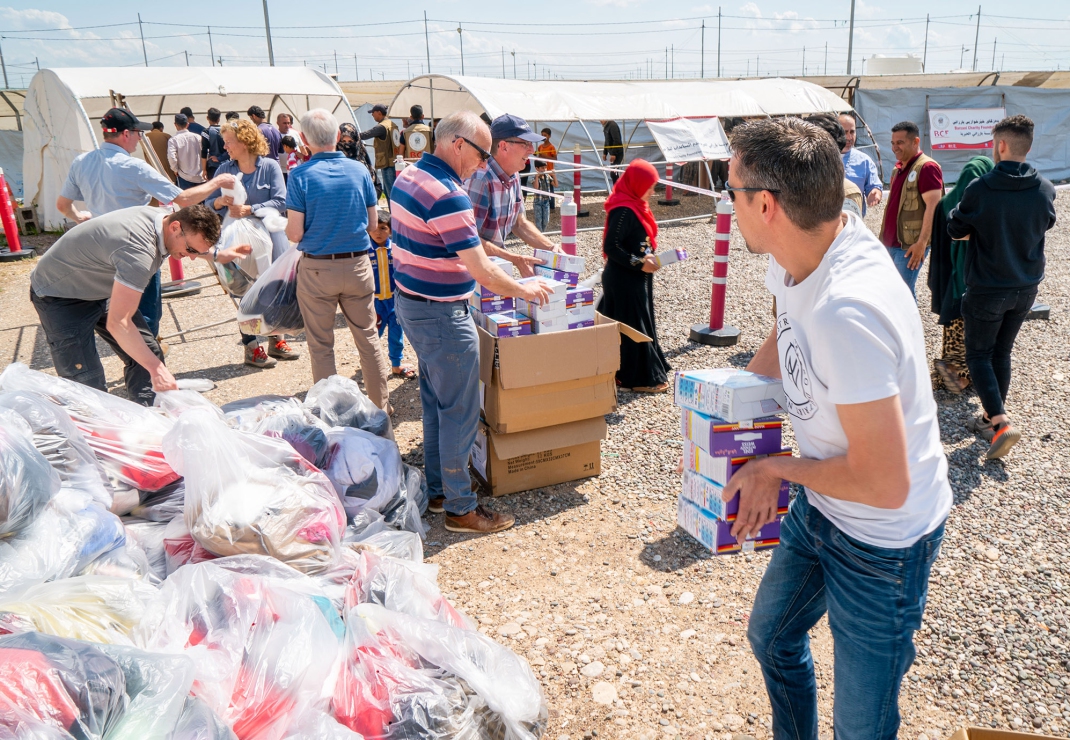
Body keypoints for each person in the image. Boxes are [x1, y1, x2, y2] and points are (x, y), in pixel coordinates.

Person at [721, 118, 951, 740]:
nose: (727, 201)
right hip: (824, 505)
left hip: (881, 543)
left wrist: (774, 468)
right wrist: (728, 410)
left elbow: (883, 483)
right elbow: (785, 331)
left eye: (731, 189)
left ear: (765, 205)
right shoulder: (807, 251)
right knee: (770, 638)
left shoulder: (848, 311)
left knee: (862, 726)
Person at [391, 110, 552, 534]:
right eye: (481, 153)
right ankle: (462, 508)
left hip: (414, 305)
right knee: (460, 411)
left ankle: (441, 488)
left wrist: (512, 260)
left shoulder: (408, 177)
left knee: (436, 404)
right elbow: (480, 269)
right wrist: (525, 288)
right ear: (457, 143)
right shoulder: (448, 193)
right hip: (444, 313)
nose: (483, 163)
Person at [29, 205, 247, 405]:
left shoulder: (164, 220)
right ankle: (96, 441)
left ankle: (146, 415)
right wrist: (157, 370)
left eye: (197, 252)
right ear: (175, 227)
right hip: (60, 294)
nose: (191, 258)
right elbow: (119, 323)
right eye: (190, 250)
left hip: (100, 287)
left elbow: (193, 242)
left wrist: (218, 255)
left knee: (148, 351)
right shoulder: (138, 251)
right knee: (86, 380)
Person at [55, 108, 234, 339]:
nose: (141, 139)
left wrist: (80, 218)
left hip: (100, 248)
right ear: (126, 134)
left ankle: (132, 349)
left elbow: (62, 205)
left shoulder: (81, 162)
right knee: (147, 311)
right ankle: (147, 358)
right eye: (138, 133)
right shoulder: (134, 167)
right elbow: (183, 198)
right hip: (136, 246)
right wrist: (217, 181)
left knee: (117, 306)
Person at [947, 115, 1056, 460]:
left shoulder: (980, 188)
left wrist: (979, 230)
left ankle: (1000, 422)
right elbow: (1045, 224)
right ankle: (988, 418)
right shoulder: (1045, 187)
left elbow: (955, 229)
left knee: (978, 355)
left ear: (1001, 146)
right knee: (1002, 352)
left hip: (987, 287)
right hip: (1026, 287)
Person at [286, 108, 391, 412]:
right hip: (358, 264)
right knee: (369, 341)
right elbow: (373, 225)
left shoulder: (300, 175)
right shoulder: (359, 171)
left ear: (304, 139)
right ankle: (379, 409)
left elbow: (294, 233)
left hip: (317, 268)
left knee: (321, 346)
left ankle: (331, 414)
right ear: (337, 137)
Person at [207, 118, 299, 369]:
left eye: (229, 142)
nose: (225, 147)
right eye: (224, 142)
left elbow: (282, 201)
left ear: (245, 142)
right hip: (238, 240)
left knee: (275, 288)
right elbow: (208, 203)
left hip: (271, 236)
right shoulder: (224, 171)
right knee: (244, 292)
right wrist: (219, 203)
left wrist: (251, 208)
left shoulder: (269, 167)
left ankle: (276, 339)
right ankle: (252, 346)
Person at [596, 160, 671, 393]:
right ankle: (636, 378)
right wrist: (639, 263)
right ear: (637, 184)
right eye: (649, 185)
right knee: (633, 325)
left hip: (637, 276)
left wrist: (648, 261)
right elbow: (612, 247)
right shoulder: (623, 210)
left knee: (640, 320)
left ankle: (638, 370)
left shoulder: (636, 206)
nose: (653, 191)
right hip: (624, 278)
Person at [464, 113, 562, 277]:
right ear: (503, 146)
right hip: (472, 275)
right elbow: (468, 241)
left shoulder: (513, 173)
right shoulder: (481, 179)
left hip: (493, 267)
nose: (532, 150)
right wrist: (514, 259)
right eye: (525, 144)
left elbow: (519, 223)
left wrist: (552, 248)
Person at [928, 155, 993, 394]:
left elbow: (937, 244)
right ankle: (962, 377)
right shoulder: (982, 205)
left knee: (953, 327)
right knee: (973, 333)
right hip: (973, 279)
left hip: (949, 279)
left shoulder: (946, 202)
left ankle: (948, 370)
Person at [878, 120, 944, 297]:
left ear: (915, 142)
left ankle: (910, 325)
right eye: (892, 143)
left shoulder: (927, 167)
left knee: (902, 294)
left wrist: (922, 243)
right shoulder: (898, 169)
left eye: (900, 142)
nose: (894, 147)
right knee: (893, 293)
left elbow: (934, 207)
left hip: (909, 245)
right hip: (890, 243)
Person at [368, 210, 415, 379]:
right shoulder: (364, 250)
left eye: (383, 228)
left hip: (395, 301)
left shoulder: (396, 249)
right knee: (373, 335)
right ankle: (370, 366)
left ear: (391, 230)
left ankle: (396, 365)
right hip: (375, 303)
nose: (377, 233)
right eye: (373, 228)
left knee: (396, 334)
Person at [838, 112, 883, 214]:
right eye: (845, 132)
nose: (849, 137)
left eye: (852, 132)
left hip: (854, 223)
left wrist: (875, 193)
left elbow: (874, 186)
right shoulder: (823, 158)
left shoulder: (864, 161)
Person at [359, 103, 400, 199]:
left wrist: (349, 134)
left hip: (387, 163)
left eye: (373, 113)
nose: (372, 115)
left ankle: (393, 213)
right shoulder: (392, 124)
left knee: (390, 192)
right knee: (389, 190)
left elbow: (365, 135)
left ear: (379, 113)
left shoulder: (381, 127)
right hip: (394, 161)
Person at [338, 122, 380, 195]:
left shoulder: (363, 159)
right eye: (343, 141)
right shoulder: (334, 163)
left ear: (356, 141)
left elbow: (377, 185)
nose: (347, 145)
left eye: (350, 141)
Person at [167, 113, 206, 190]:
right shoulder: (198, 137)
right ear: (187, 124)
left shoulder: (173, 140)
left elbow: (171, 157)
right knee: (201, 201)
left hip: (184, 177)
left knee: (187, 201)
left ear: (175, 125)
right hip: (200, 176)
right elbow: (205, 154)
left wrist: (175, 169)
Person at [535, 127, 558, 210]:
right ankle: (543, 204)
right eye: (542, 135)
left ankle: (552, 206)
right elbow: (539, 157)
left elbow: (555, 159)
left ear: (549, 136)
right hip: (542, 171)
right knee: (543, 187)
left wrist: (545, 156)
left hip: (549, 171)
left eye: (545, 135)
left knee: (550, 189)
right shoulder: (540, 147)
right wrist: (537, 155)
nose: (543, 137)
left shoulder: (551, 147)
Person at [201, 107, 228, 180]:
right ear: (219, 119)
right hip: (226, 164)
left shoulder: (206, 132)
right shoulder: (226, 131)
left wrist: (204, 170)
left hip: (212, 166)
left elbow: (204, 151)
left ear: (207, 118)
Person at [276, 113, 302, 182]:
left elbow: (303, 149)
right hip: (281, 171)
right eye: (284, 123)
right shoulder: (275, 134)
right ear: (278, 123)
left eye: (288, 123)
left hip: (296, 170)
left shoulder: (295, 133)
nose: (287, 125)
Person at [531, 162, 554, 233]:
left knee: (546, 220)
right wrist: (537, 177)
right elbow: (536, 187)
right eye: (542, 168)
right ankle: (540, 235)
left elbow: (556, 184)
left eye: (545, 168)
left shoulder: (547, 176)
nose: (544, 170)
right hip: (538, 201)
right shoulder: (534, 177)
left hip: (546, 201)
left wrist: (554, 175)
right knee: (538, 220)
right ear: (537, 169)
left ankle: (542, 233)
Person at [601, 119, 624, 186]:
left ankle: (618, 189)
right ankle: (617, 189)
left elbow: (617, 140)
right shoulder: (606, 126)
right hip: (613, 153)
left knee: (614, 172)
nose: (600, 121)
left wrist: (613, 153)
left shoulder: (612, 126)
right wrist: (605, 152)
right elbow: (607, 140)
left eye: (601, 119)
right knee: (614, 173)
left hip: (617, 153)